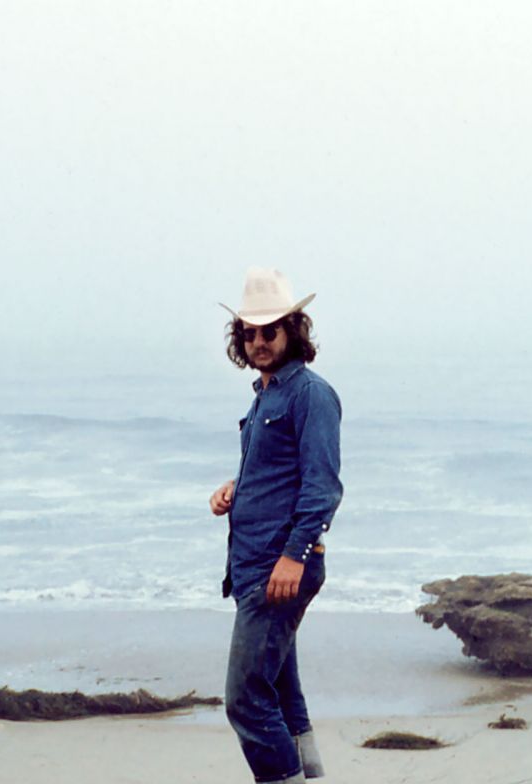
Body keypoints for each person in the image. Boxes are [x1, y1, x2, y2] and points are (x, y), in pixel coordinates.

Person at [209, 267, 343, 784]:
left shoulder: (311, 394)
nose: (259, 341)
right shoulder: (265, 393)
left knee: (244, 700)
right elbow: (280, 471)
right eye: (250, 332)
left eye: (270, 330)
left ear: (294, 330)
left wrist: (295, 555)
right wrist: (235, 489)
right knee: (282, 694)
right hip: (253, 567)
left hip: (278, 568)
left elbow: (323, 487)